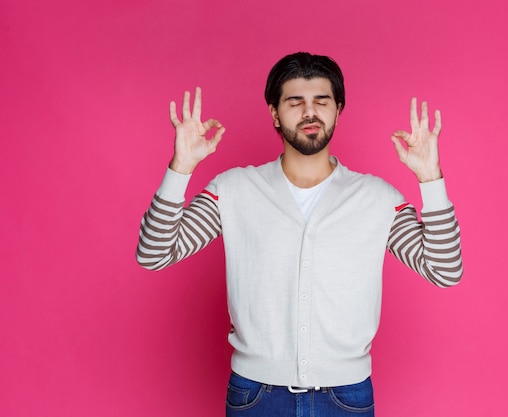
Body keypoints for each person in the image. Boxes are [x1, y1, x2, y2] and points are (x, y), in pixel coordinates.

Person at [136, 52, 463, 417]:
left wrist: (430, 178)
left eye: (321, 101)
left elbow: (444, 270)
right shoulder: (234, 189)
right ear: (275, 112)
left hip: (347, 398)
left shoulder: (377, 198)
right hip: (255, 397)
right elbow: (154, 253)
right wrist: (181, 166)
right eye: (295, 102)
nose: (310, 112)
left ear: (338, 110)